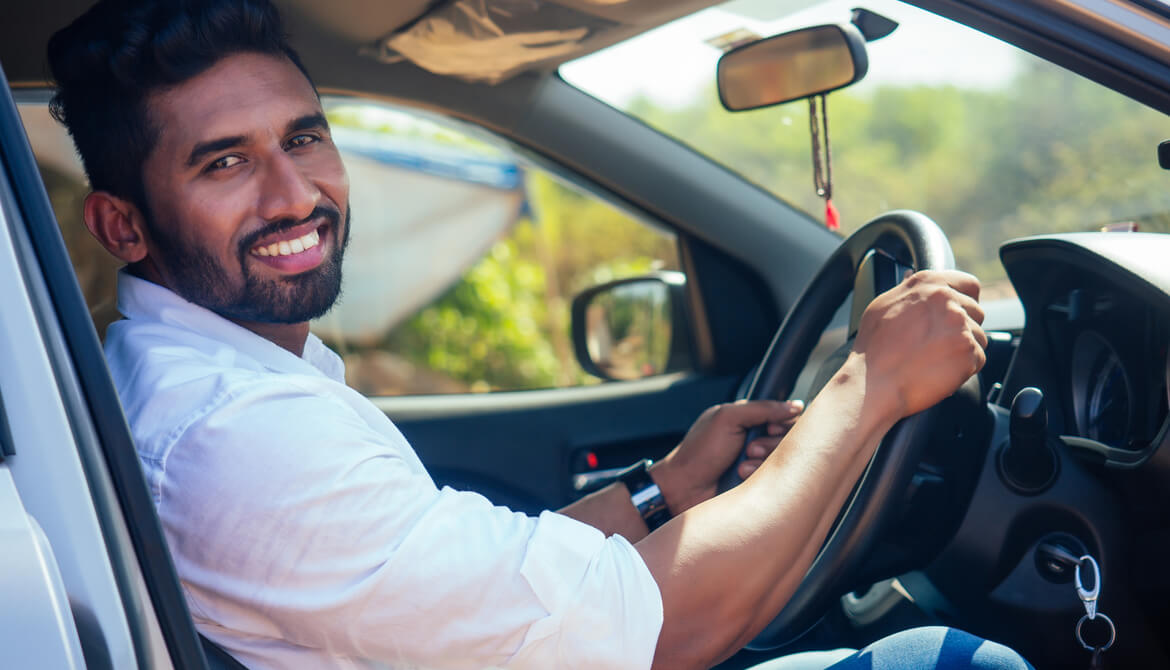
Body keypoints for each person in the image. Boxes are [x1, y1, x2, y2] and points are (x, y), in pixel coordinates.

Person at [45, 1, 1030, 669]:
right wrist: (869, 388)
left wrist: (668, 485)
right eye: (224, 164)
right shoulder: (237, 435)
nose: (295, 193)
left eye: (303, 137)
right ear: (122, 225)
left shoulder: (203, 376)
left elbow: (486, 585)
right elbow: (667, 628)